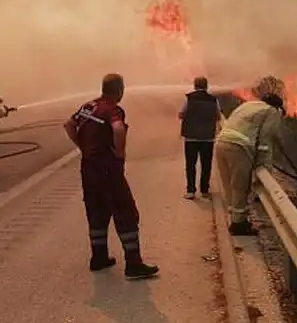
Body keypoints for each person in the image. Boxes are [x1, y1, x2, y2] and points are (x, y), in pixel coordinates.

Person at [63, 73, 159, 280]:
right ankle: (134, 264)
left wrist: (82, 147)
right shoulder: (113, 110)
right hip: (108, 169)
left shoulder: (88, 106)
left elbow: (68, 125)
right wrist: (120, 153)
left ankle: (98, 257)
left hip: (88, 167)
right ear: (120, 90)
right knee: (126, 211)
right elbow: (118, 129)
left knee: (96, 211)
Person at [214, 93, 286, 236]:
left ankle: (235, 218)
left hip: (221, 143)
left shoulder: (248, 105)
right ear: (277, 107)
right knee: (241, 185)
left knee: (229, 185)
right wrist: (263, 166)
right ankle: (239, 225)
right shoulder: (271, 111)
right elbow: (265, 141)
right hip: (239, 147)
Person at [179, 76, 224, 199]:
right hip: (208, 138)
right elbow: (218, 116)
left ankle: (191, 191)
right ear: (206, 86)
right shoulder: (213, 100)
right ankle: (204, 190)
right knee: (206, 164)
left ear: (194, 86)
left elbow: (181, 114)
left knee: (190, 164)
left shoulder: (189, 99)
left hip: (191, 137)